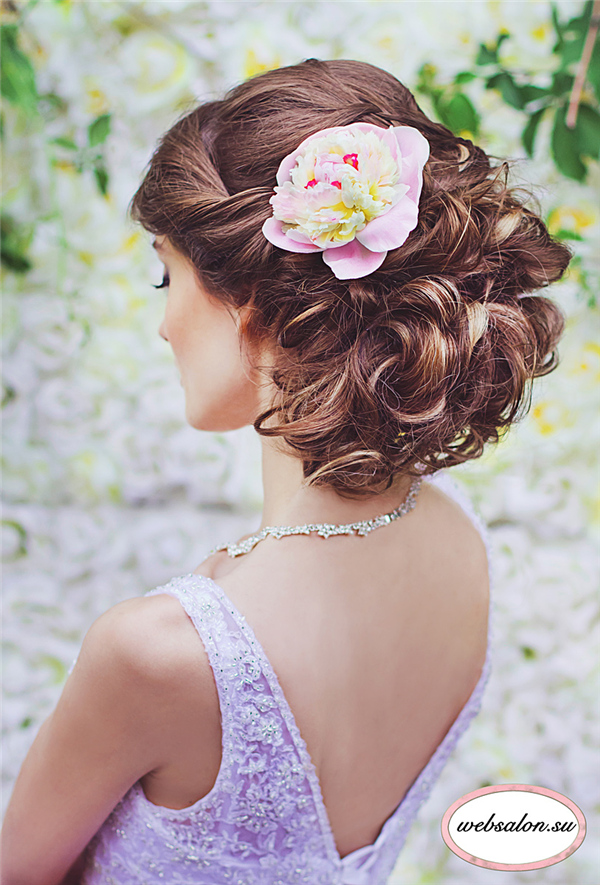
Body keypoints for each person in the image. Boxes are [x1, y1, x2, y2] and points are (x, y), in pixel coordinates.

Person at [1, 58, 570, 885]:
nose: (164, 324)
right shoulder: (459, 542)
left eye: (169, 274)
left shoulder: (161, 654)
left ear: (259, 305)